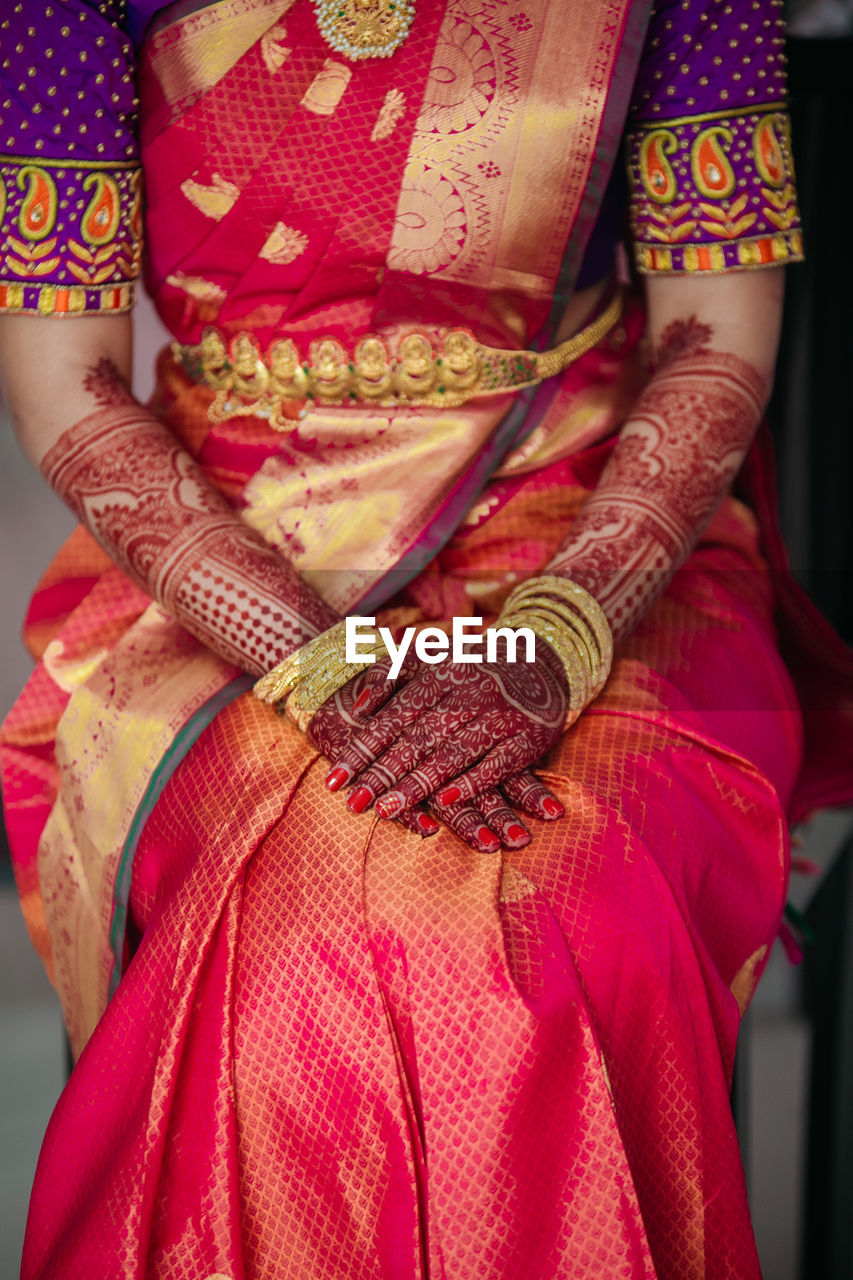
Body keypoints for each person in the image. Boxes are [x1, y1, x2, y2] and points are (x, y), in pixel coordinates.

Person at [1, 0, 851, 1275]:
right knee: (299, 924)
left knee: (560, 903)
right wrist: (311, 660)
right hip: (227, 538)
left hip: (590, 519)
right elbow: (62, 377)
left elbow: (713, 341)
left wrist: (558, 637)